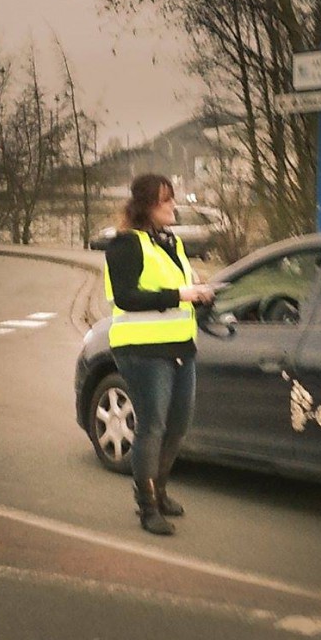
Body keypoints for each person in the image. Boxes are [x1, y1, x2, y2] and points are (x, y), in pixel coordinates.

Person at [104, 174, 216, 536]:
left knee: (179, 425)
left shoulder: (171, 242)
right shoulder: (125, 245)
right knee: (152, 427)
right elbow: (127, 297)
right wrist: (181, 295)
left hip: (180, 346)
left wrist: (200, 292)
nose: (173, 206)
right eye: (165, 201)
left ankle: (161, 488)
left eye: (172, 199)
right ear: (146, 206)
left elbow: (178, 290)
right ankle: (147, 506)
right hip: (142, 350)